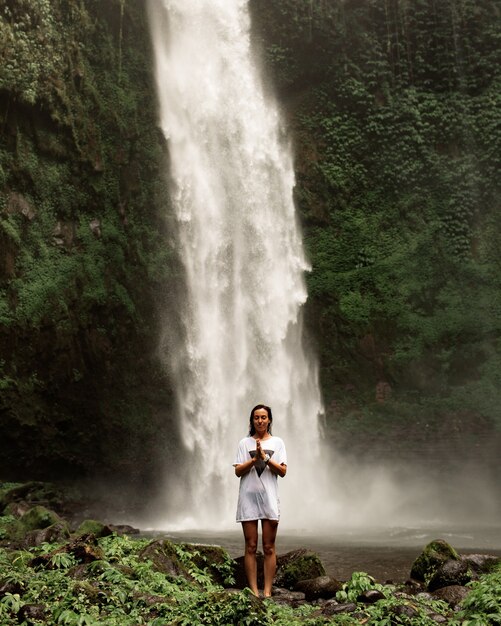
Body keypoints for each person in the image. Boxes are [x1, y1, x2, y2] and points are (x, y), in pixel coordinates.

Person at [233, 404, 287, 597]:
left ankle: (268, 591)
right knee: (250, 546)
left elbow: (282, 472)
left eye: (264, 417)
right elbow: (238, 471)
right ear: (252, 420)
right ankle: (254, 592)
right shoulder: (244, 443)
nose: (260, 421)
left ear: (269, 420)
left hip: (269, 499)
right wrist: (254, 459)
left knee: (269, 547)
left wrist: (266, 457)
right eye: (256, 417)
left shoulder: (278, 443)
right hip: (248, 499)